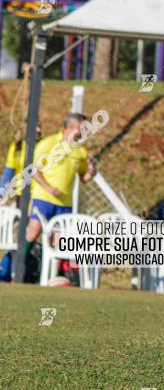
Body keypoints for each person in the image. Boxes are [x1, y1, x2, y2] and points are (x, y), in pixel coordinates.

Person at [23, 114, 96, 282]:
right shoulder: (48, 143)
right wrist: (48, 187)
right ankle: (18, 271)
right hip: (43, 199)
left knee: (58, 242)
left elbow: (84, 178)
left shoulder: (81, 151)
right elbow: (34, 170)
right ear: (70, 128)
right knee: (33, 232)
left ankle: (51, 278)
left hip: (64, 204)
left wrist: (91, 172)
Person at [1, 123, 42, 202]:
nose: (39, 130)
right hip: (22, 194)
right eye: (36, 127)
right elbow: (8, 172)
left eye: (39, 127)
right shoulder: (16, 147)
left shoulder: (45, 145)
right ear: (26, 130)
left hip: (40, 196)